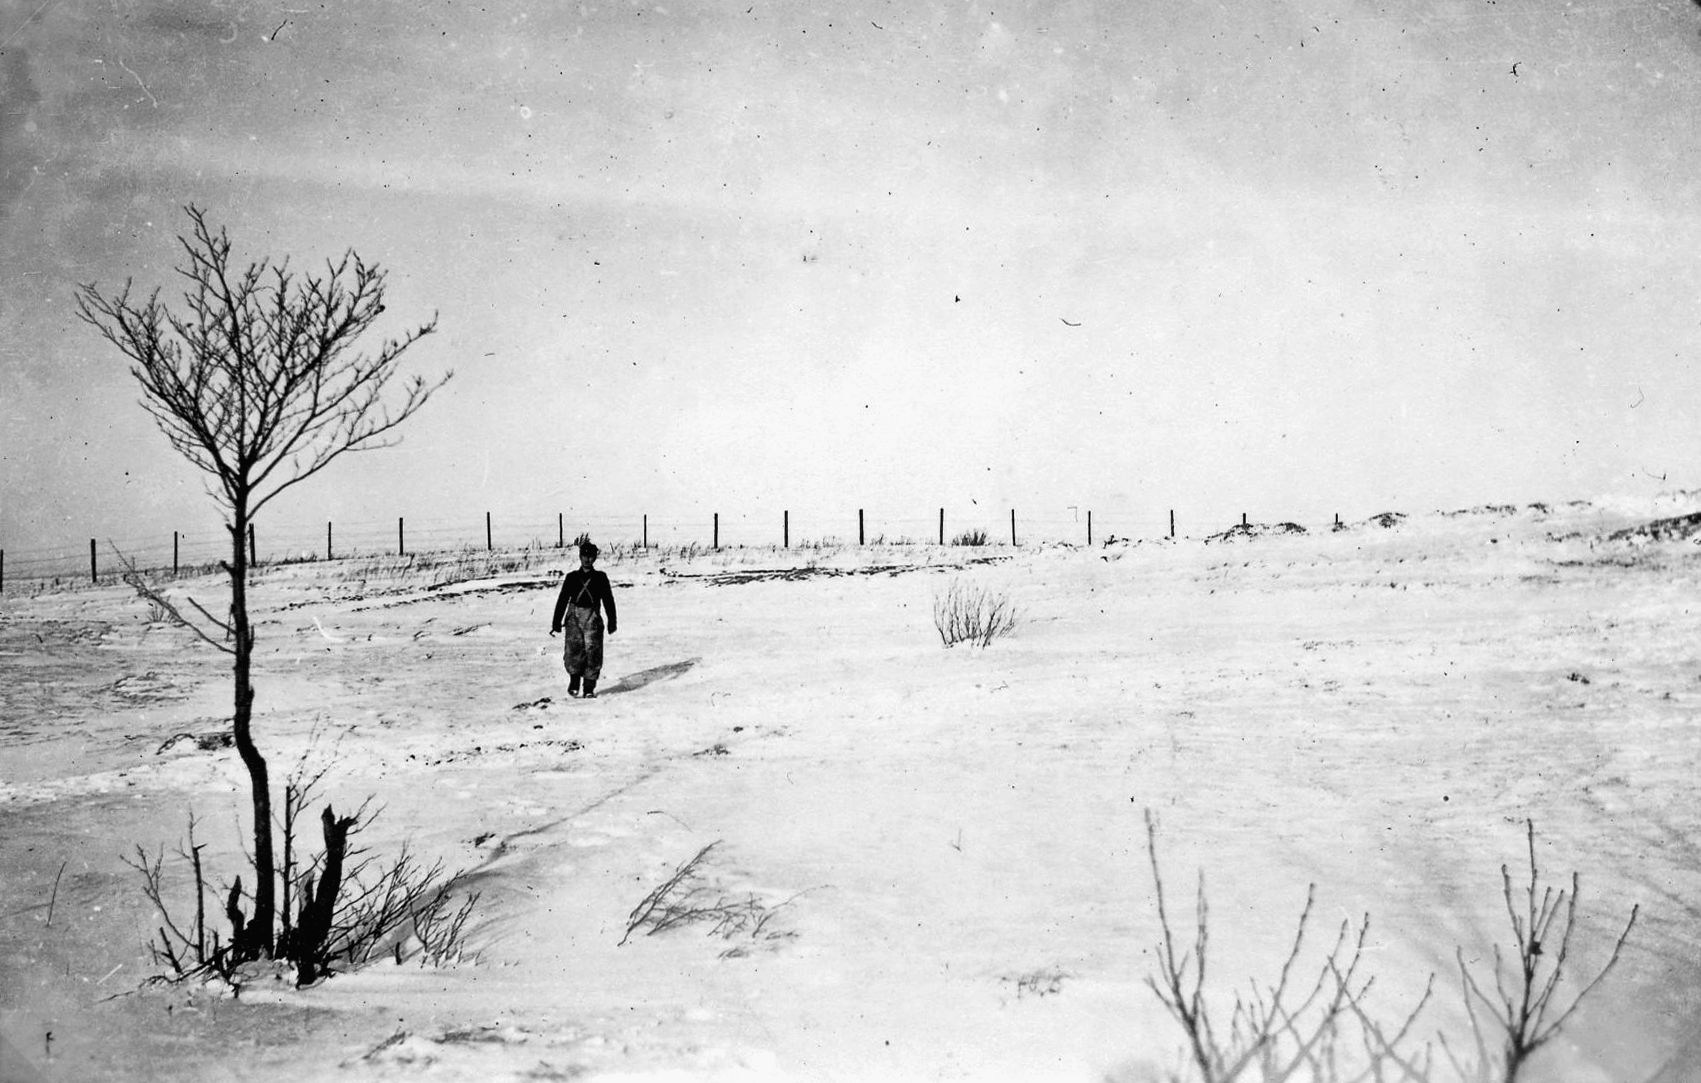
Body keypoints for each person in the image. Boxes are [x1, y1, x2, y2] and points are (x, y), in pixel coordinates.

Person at [550, 540, 618, 698]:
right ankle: (574, 683)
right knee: (573, 651)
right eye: (585, 556)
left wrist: (612, 621)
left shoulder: (600, 578)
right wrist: (556, 621)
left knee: (593, 652)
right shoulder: (571, 577)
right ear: (580, 557)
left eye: (591, 556)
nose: (588, 559)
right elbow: (562, 599)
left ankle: (589, 687)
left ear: (595, 558)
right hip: (573, 618)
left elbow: (608, 600)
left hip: (592, 618)